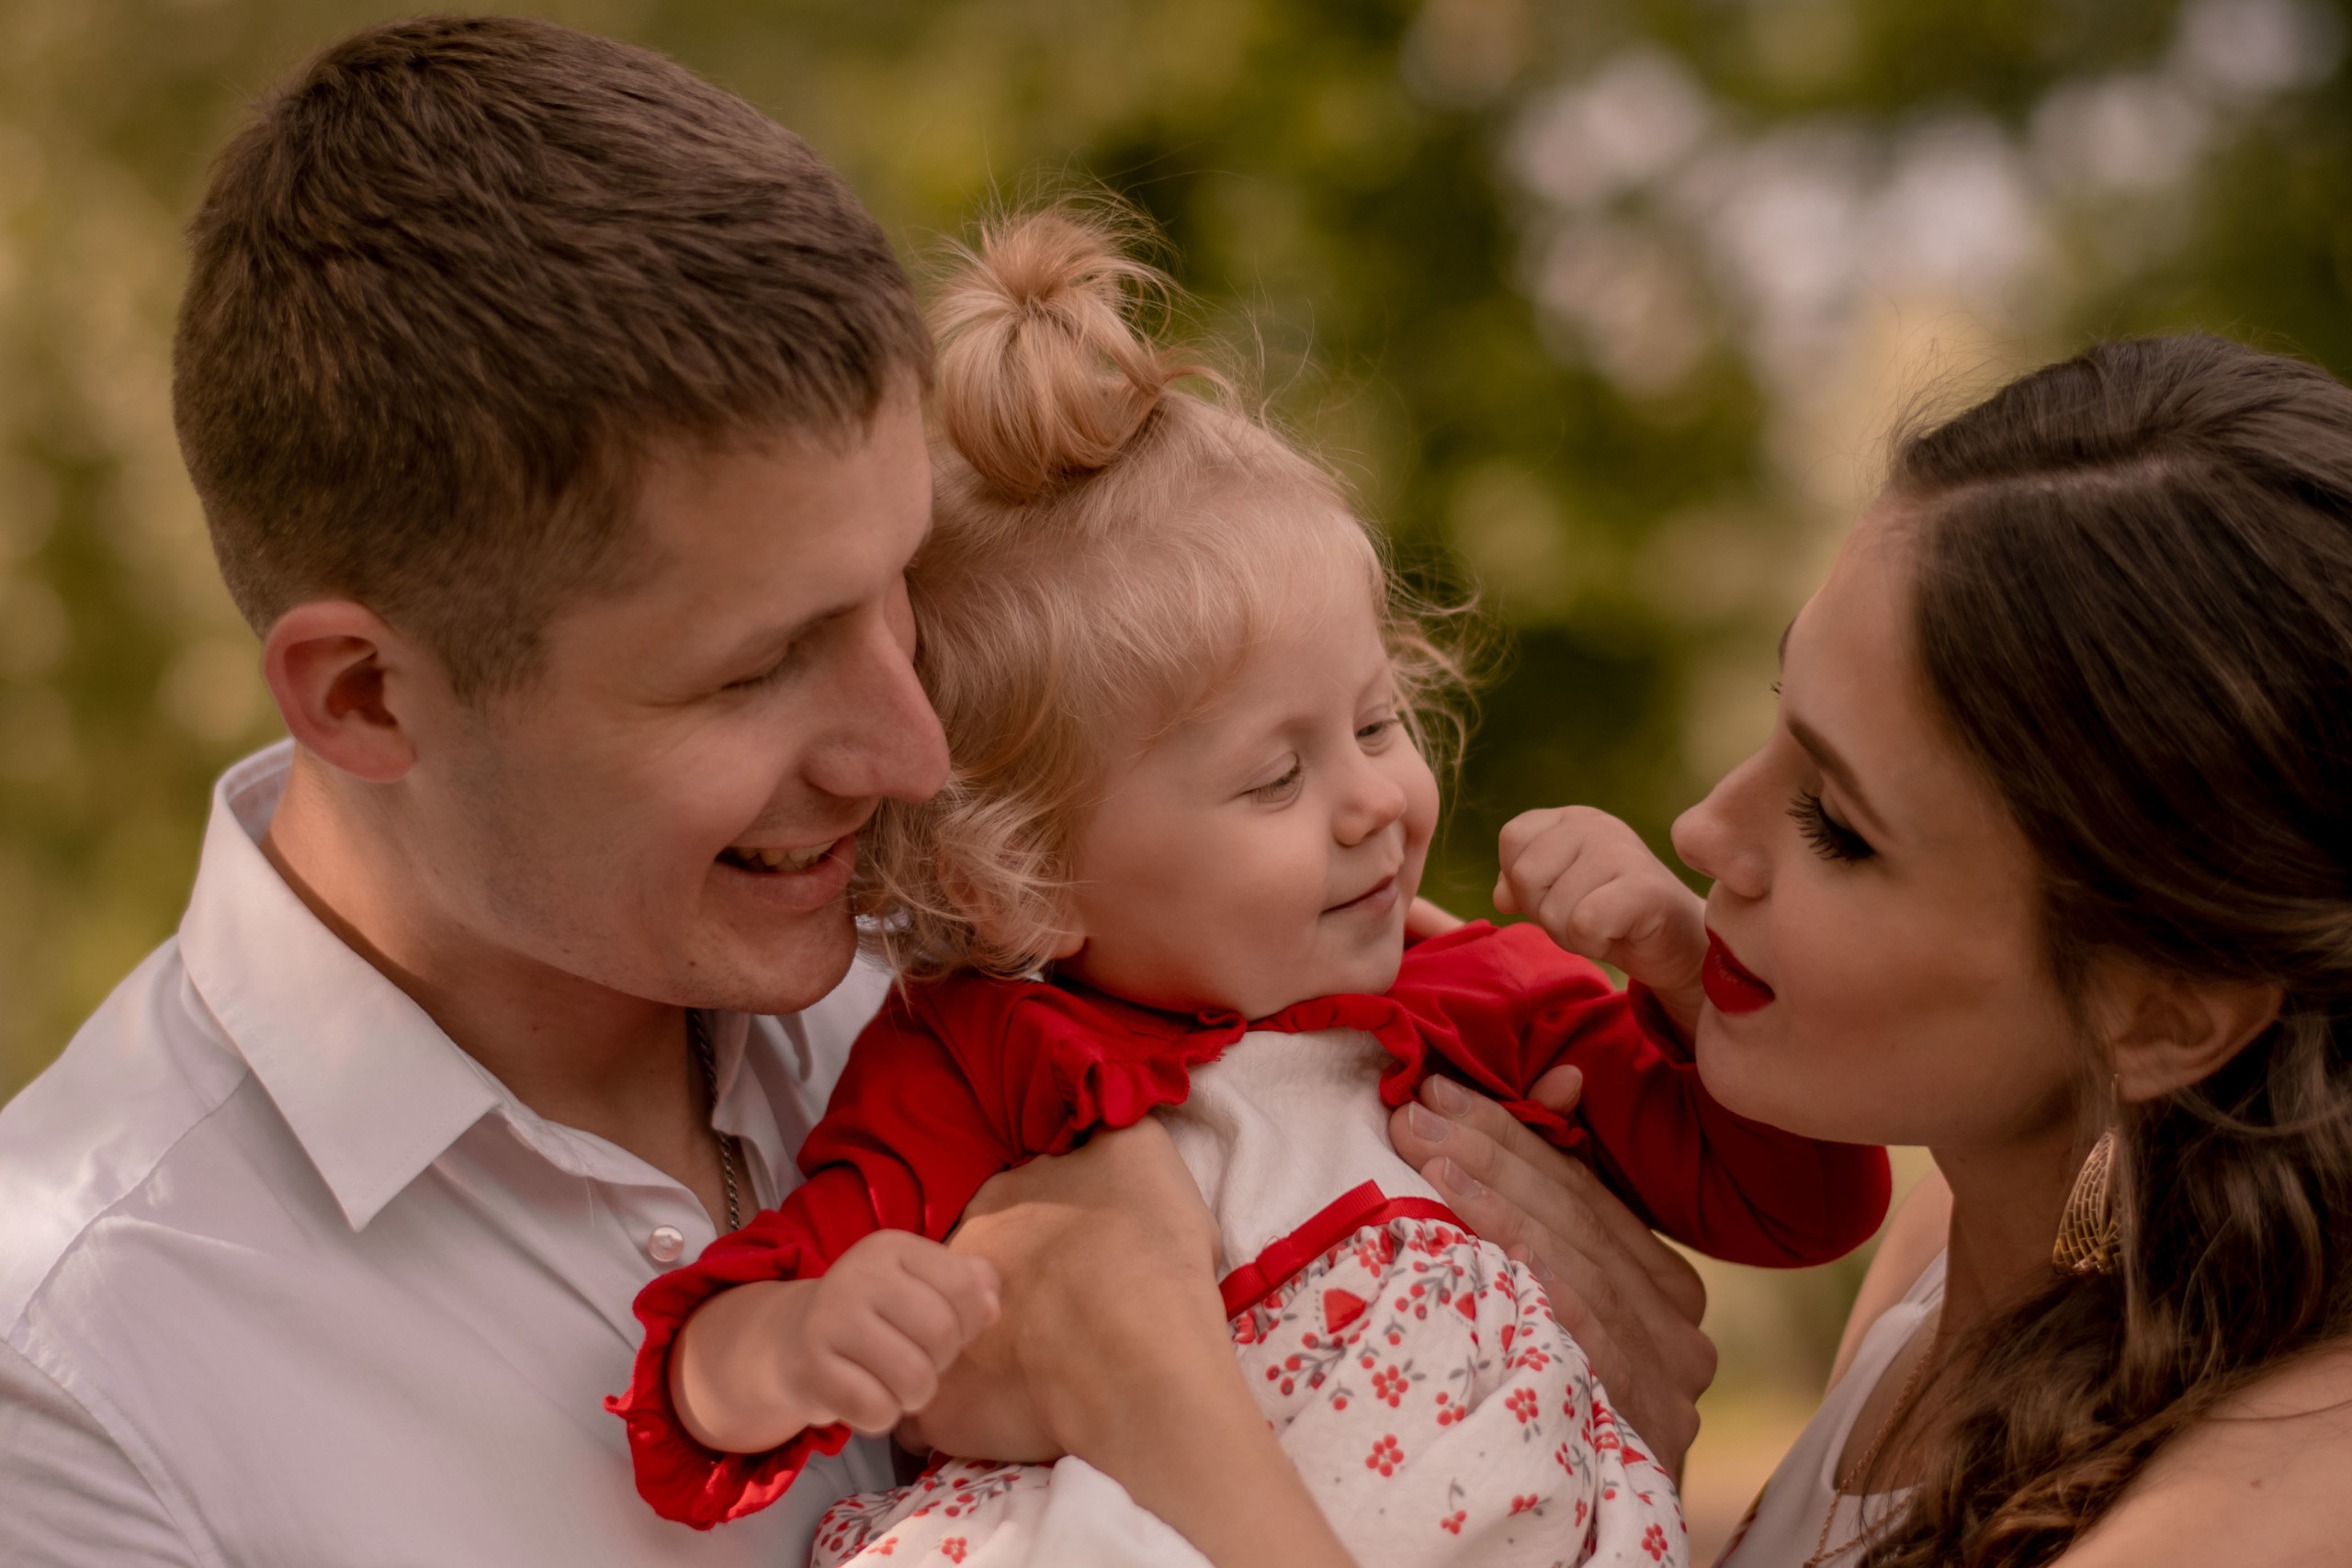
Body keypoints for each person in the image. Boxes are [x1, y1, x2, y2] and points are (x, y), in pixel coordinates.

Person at [0, 17, 1714, 1568]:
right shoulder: (83, 1388)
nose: (912, 755)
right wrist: (1140, 1376)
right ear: (369, 696)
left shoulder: (1070, 945)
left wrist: (1577, 1371)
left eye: (900, 594)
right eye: (757, 667)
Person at [607, 209, 1891, 1568]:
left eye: (1378, 723)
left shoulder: (1472, 997)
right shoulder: (983, 1063)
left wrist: (1684, 973)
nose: (1374, 802)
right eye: (1275, 780)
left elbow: (1803, 1206)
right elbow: (708, 1367)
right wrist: (802, 1344)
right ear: (1024, 880)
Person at [1487, 334, 2352, 1567]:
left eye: (1839, 827)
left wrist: (1169, 1401)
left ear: (2164, 1011)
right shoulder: (1971, 1226)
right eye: (1775, 721)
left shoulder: (2274, 1504)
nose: (1702, 829)